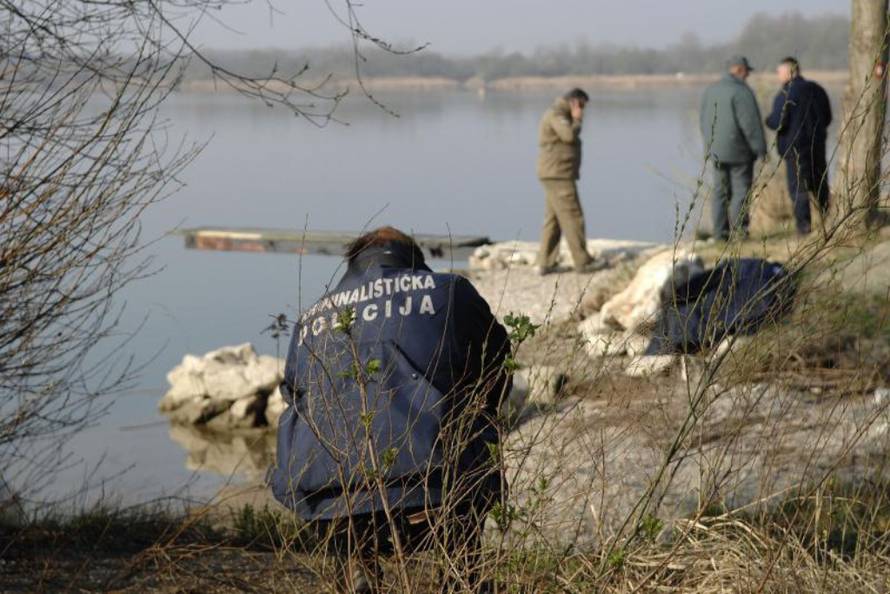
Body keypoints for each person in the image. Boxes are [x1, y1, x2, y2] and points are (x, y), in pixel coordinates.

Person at [270, 226, 511, 593]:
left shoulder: (311, 320)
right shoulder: (449, 290)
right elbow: (497, 369)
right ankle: (462, 576)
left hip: (328, 500)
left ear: (352, 262)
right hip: (437, 492)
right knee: (466, 437)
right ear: (415, 260)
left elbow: (295, 397)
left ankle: (358, 565)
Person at [700, 56, 768, 241]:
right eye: (747, 71)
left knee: (720, 192)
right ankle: (739, 233)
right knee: (740, 191)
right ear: (738, 70)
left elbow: (703, 120)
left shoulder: (711, 90)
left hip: (716, 151)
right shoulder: (742, 92)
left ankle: (719, 234)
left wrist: (709, 146)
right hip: (739, 152)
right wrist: (761, 149)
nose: (748, 75)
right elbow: (751, 125)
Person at [535, 88, 602, 274]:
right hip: (558, 175)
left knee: (554, 219)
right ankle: (583, 262)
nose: (583, 110)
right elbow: (569, 136)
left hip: (556, 173)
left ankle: (546, 262)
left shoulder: (560, 114)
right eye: (582, 105)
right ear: (574, 102)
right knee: (573, 216)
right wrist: (577, 118)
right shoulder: (556, 114)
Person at [765, 56, 832, 235]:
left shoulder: (786, 94)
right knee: (820, 185)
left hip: (794, 149)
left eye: (779, 72)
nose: (778, 75)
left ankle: (804, 228)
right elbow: (828, 117)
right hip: (817, 146)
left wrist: (767, 120)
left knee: (798, 189)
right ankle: (829, 221)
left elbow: (778, 121)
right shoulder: (817, 90)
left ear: (789, 72)